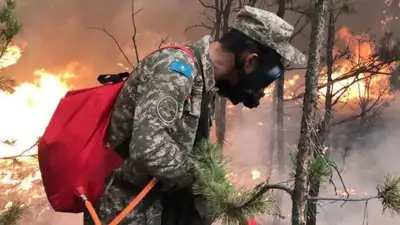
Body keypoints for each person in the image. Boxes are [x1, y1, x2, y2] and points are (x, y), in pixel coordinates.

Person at [83, 5, 306, 225]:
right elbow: (148, 148)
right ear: (249, 60)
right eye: (264, 79)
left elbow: (184, 152)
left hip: (159, 210)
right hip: (129, 213)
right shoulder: (176, 71)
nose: (261, 91)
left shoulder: (201, 81)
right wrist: (203, 179)